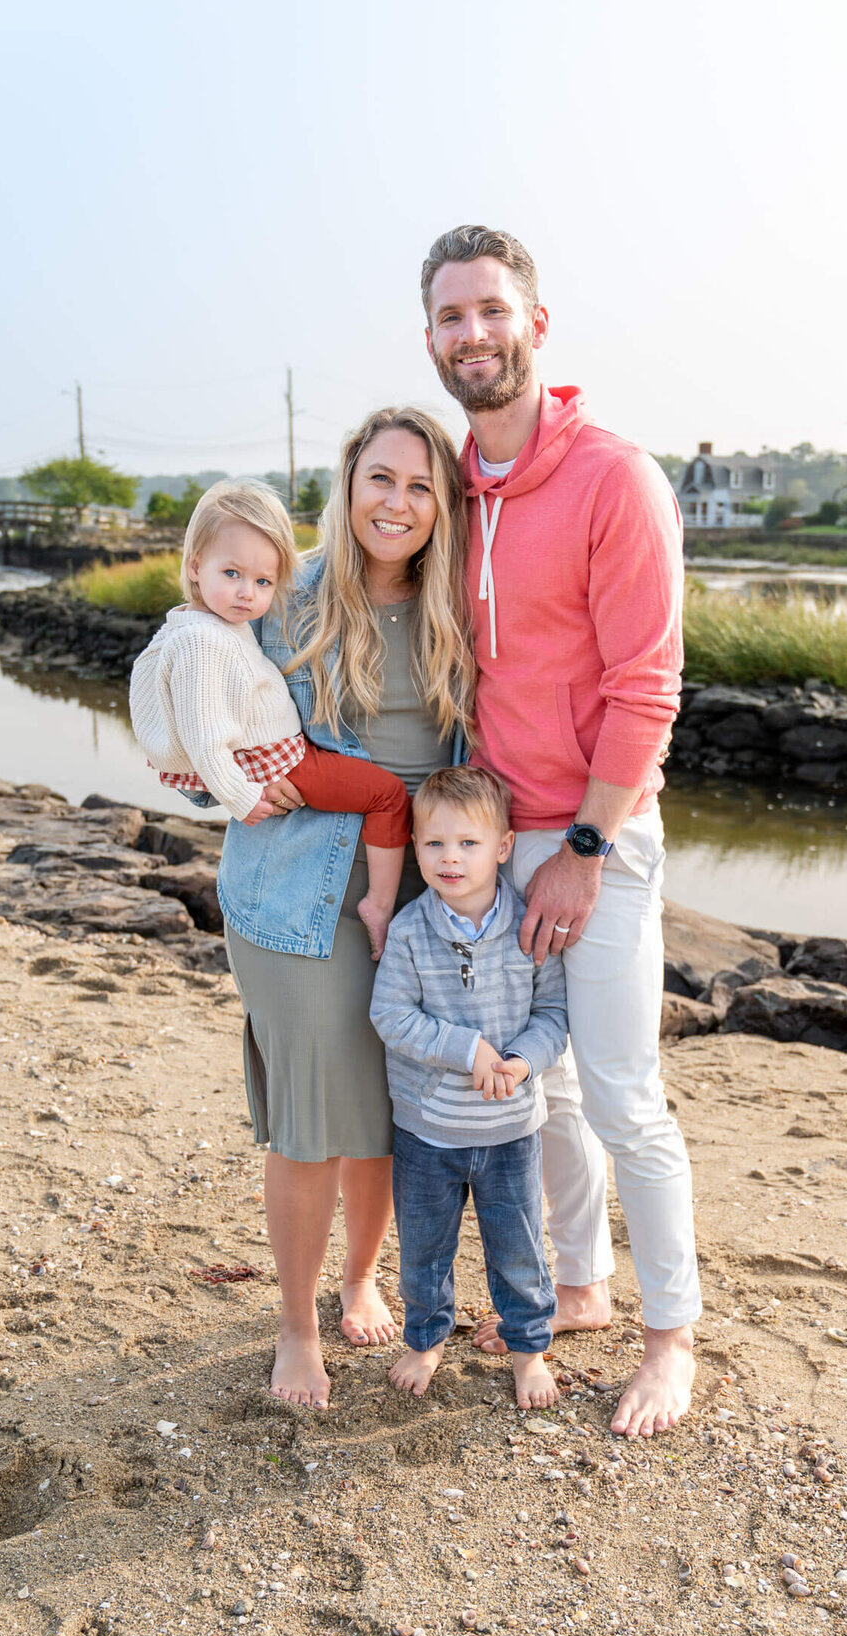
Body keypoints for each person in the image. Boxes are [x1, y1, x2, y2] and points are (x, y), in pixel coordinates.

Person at [420, 223, 701, 1438]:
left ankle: (671, 1338)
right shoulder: (454, 487)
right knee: (554, 1094)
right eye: (449, 317)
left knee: (628, 1093)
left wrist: (585, 852)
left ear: (536, 322)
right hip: (496, 831)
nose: (472, 334)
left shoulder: (614, 476)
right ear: (431, 339)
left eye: (490, 310)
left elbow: (649, 682)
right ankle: (578, 1285)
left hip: (597, 834)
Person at [214, 410, 475, 1406]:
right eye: (381, 479)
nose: (398, 503)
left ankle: (359, 1280)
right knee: (313, 1113)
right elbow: (194, 667)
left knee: (381, 1115)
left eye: (419, 487)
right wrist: (209, 765)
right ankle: (293, 1328)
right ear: (350, 482)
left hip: (417, 887)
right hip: (296, 884)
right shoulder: (294, 591)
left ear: (439, 505)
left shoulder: (457, 602)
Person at [129, 478, 412, 956]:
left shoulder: (212, 625)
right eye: (233, 574)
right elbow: (205, 736)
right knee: (388, 796)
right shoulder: (204, 641)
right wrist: (241, 796)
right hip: (280, 764)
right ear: (195, 566)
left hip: (279, 754)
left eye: (263, 582)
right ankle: (379, 906)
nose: (247, 593)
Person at [369, 766, 567, 1410]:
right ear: (414, 847)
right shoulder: (409, 930)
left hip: (511, 1129)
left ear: (504, 847)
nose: (450, 858)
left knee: (519, 1246)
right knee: (425, 1247)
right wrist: (469, 1050)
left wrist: (520, 1061)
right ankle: (426, 1338)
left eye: (468, 844)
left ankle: (528, 1350)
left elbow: (554, 1016)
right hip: (429, 1128)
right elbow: (391, 1016)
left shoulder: (528, 925)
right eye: (434, 844)